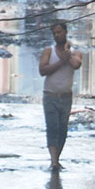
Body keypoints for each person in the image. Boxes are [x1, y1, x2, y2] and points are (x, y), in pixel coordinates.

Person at [38, 21, 81, 170]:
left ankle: (57, 158)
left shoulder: (74, 53)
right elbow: (42, 70)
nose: (57, 35)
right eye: (54, 33)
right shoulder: (48, 51)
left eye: (59, 32)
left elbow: (76, 65)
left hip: (66, 97)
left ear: (65, 32)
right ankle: (54, 161)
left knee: (62, 129)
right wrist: (60, 62)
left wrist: (66, 54)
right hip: (50, 95)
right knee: (52, 127)